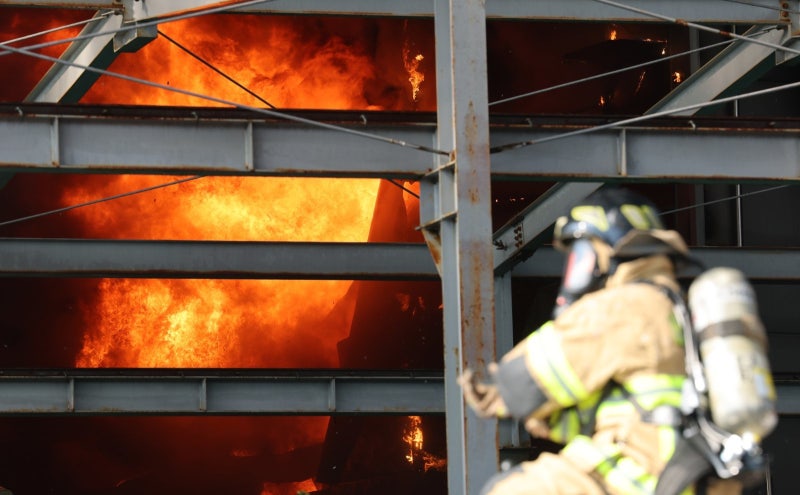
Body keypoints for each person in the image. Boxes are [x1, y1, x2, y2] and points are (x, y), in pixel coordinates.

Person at [460, 187, 742, 495]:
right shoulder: (681, 306)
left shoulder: (624, 305)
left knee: (512, 490)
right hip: (693, 479)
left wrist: (490, 384)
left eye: (582, 254)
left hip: (638, 475)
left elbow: (527, 380)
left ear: (607, 251)